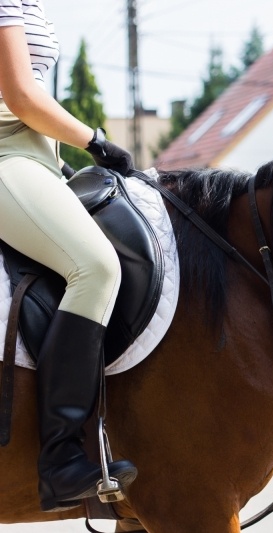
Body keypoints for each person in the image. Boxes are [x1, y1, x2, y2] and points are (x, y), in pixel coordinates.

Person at [0, 0, 137, 512]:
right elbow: (19, 92)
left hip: (37, 156)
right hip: (6, 152)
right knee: (96, 268)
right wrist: (96, 141)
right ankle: (60, 460)